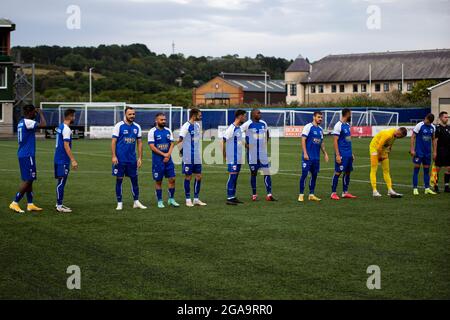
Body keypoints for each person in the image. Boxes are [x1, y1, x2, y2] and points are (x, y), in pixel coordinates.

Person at [9, 104, 47, 213]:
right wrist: (41, 113)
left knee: (29, 179)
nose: (35, 114)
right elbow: (44, 126)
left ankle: (30, 204)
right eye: (34, 112)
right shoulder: (28, 121)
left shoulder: (21, 122)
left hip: (23, 153)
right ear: (30, 112)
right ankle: (14, 202)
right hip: (27, 155)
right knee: (28, 179)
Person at [112, 106, 147, 211]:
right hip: (120, 159)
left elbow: (139, 143)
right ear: (125, 114)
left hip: (132, 159)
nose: (132, 116)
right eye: (130, 114)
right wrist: (114, 156)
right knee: (119, 181)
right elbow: (113, 142)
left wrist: (140, 158)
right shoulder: (119, 126)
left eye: (133, 114)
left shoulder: (137, 127)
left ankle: (136, 201)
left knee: (135, 180)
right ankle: (119, 202)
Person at [241, 109, 276, 202]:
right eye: (258, 113)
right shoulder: (247, 124)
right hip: (252, 153)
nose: (260, 114)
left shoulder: (263, 123)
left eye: (260, 112)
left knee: (267, 171)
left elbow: (267, 133)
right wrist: (245, 144)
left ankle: (269, 194)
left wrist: (265, 142)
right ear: (253, 114)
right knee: (254, 173)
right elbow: (237, 133)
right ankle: (254, 194)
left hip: (262, 152)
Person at [148, 113, 179, 209]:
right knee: (158, 181)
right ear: (156, 121)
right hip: (158, 160)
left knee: (172, 179)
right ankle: (160, 201)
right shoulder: (152, 132)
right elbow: (152, 146)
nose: (164, 121)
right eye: (162, 120)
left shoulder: (168, 130)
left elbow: (172, 143)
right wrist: (163, 154)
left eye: (165, 119)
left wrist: (168, 154)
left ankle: (171, 199)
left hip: (168, 159)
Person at [177, 108, 207, 207]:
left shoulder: (198, 125)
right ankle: (188, 199)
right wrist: (181, 151)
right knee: (188, 177)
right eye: (200, 115)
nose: (201, 116)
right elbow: (180, 140)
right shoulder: (186, 126)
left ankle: (196, 199)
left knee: (198, 176)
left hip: (197, 155)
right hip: (188, 156)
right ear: (194, 115)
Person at [298, 112, 329, 202]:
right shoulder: (308, 127)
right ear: (314, 117)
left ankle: (311, 195)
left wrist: (325, 153)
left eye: (321, 117)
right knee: (304, 175)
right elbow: (303, 140)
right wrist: (305, 153)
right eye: (319, 117)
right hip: (308, 157)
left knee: (314, 176)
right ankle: (301, 194)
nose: (320, 119)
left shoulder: (320, 129)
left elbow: (321, 142)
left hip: (316, 158)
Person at [369, 127, 407, 198]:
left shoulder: (395, 135)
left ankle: (390, 190)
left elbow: (390, 144)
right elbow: (379, 147)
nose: (398, 137)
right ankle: (374, 191)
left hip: (383, 149)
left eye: (400, 137)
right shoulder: (387, 135)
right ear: (398, 130)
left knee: (386, 170)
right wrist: (379, 157)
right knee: (374, 169)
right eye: (399, 135)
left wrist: (388, 152)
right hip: (374, 148)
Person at [54, 109, 78, 213]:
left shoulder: (60, 126)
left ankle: (59, 203)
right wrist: (73, 160)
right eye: (74, 116)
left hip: (58, 158)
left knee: (61, 181)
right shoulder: (66, 129)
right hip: (62, 159)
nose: (74, 118)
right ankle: (59, 206)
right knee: (61, 182)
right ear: (70, 116)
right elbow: (66, 146)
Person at [330, 109, 357, 200]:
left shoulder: (347, 125)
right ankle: (333, 193)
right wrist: (337, 155)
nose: (351, 116)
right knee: (338, 172)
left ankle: (345, 192)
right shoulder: (338, 125)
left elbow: (348, 140)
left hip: (348, 154)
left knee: (348, 172)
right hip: (341, 153)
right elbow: (335, 141)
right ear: (347, 114)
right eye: (350, 114)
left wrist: (351, 153)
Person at [223, 110, 247, 205]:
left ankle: (233, 196)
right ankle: (229, 197)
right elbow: (222, 141)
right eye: (244, 116)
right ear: (240, 116)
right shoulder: (231, 128)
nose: (245, 118)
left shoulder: (239, 129)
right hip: (232, 157)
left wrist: (248, 146)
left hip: (238, 157)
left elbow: (239, 141)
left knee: (235, 177)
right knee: (232, 176)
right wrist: (224, 155)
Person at [411, 113, 437, 195]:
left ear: (430, 121)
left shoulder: (433, 127)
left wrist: (435, 151)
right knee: (416, 170)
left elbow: (433, 140)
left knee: (426, 170)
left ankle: (427, 188)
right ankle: (415, 188)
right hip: (419, 152)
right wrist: (412, 149)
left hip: (427, 153)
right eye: (425, 119)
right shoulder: (419, 125)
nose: (425, 120)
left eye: (427, 120)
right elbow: (413, 136)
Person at [432, 111, 450, 193]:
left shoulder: (449, 127)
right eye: (445, 117)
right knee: (437, 169)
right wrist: (435, 152)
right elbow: (435, 141)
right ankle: (435, 186)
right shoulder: (437, 128)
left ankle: (446, 186)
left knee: (449, 168)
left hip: (448, 150)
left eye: (447, 117)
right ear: (440, 118)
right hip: (440, 150)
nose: (447, 118)